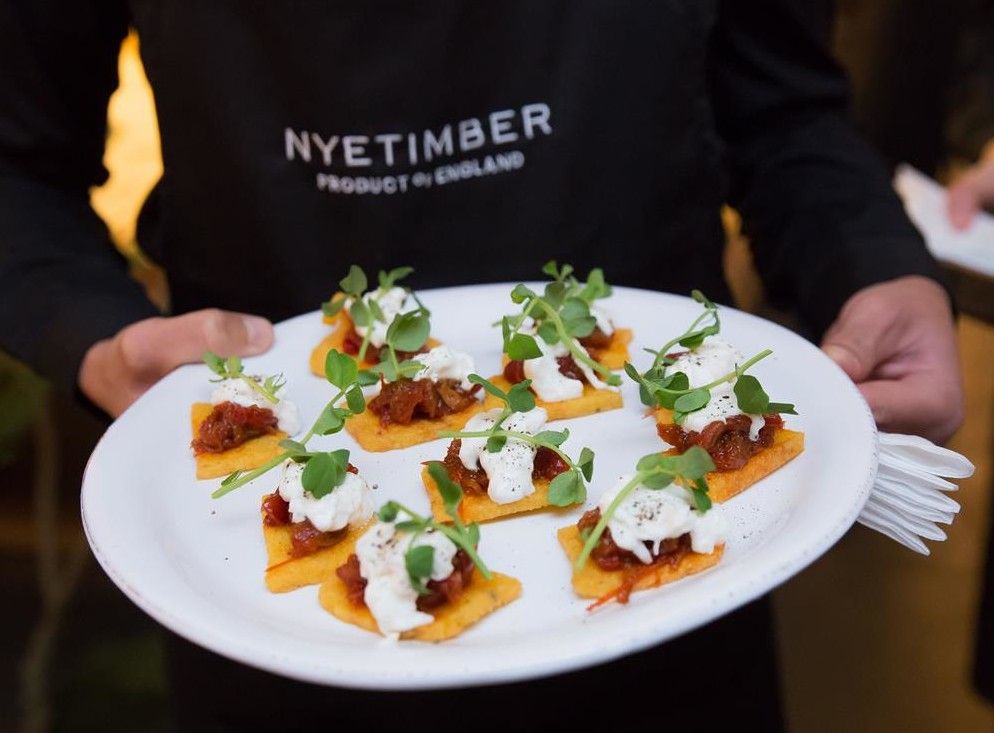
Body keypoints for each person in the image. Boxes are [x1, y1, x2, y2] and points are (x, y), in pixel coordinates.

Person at [0, 1, 964, 729]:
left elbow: (786, 111)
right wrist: (91, 332)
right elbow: (15, 170)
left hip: (666, 604)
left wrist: (871, 259)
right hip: (279, 649)